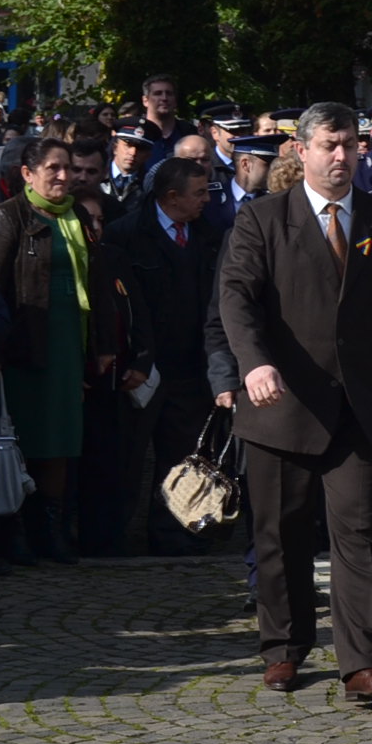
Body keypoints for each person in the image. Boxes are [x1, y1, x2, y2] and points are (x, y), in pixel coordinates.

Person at [219, 102, 372, 703]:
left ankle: (364, 663)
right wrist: (253, 363)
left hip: (358, 408)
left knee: (358, 533)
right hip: (281, 403)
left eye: (349, 145)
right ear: (299, 151)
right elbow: (236, 297)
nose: (340, 156)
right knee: (282, 534)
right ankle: (284, 648)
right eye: (328, 144)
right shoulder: (262, 220)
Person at [0, 139, 106, 567]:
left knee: (59, 443)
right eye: (53, 168)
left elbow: (95, 283)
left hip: (65, 348)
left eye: (68, 168)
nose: (64, 176)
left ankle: (48, 530)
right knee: (17, 442)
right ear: (27, 173)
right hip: (21, 351)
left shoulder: (74, 215)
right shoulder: (7, 217)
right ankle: (12, 532)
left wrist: (101, 347)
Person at [103, 156, 225, 558]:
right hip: (142, 367)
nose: (207, 199)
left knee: (182, 457)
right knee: (127, 456)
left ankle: (174, 533)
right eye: (200, 193)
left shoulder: (211, 234)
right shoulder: (127, 233)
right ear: (172, 197)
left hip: (192, 367)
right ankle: (113, 535)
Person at [105, 120, 155, 213]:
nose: (133, 153)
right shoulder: (96, 175)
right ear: (115, 147)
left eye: (140, 148)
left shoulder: (150, 186)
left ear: (148, 156)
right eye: (128, 145)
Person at [138, 74, 182, 164]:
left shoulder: (189, 133)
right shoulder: (135, 134)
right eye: (158, 93)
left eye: (169, 93)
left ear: (175, 100)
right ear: (145, 100)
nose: (164, 98)